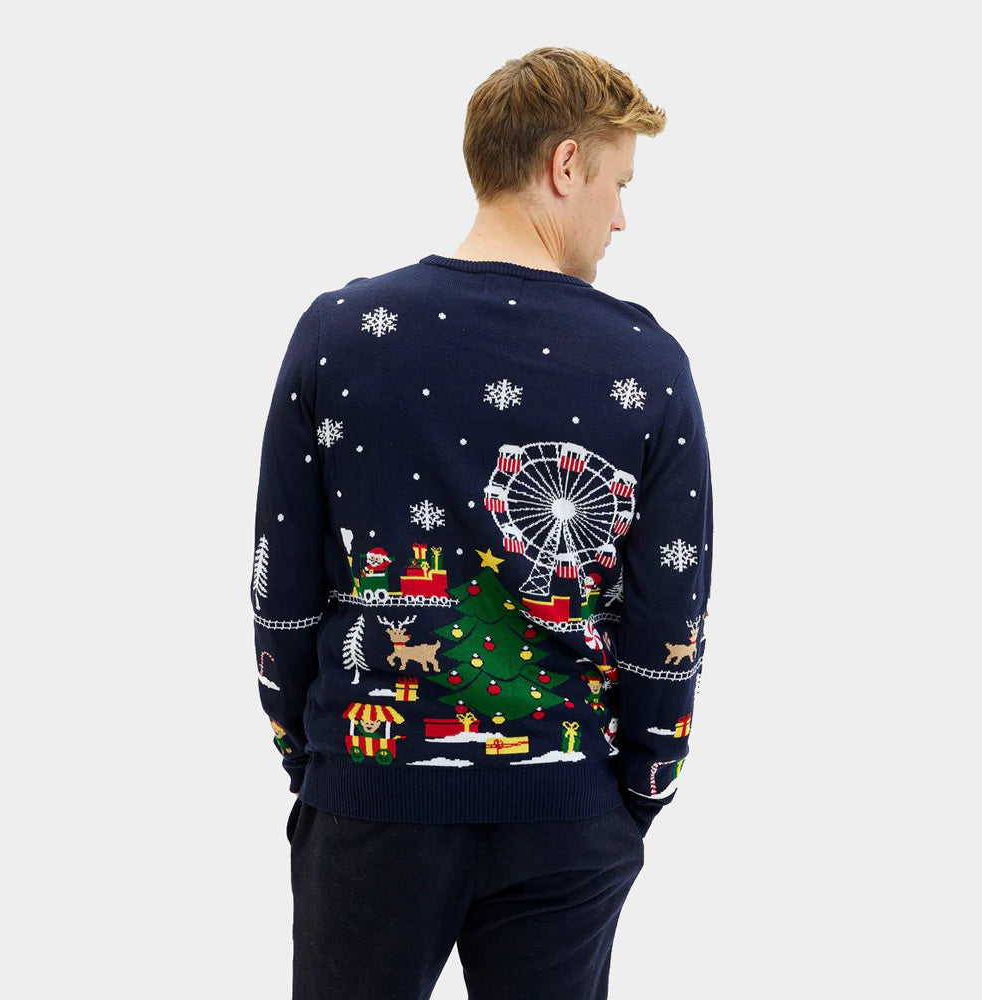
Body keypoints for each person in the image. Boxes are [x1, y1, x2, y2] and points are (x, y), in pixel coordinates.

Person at [251, 46, 714, 1000]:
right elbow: (670, 611)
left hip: (370, 797)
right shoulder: (645, 361)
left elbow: (281, 584)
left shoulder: (340, 332)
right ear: (565, 165)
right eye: (620, 184)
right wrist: (640, 788)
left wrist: (319, 761)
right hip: (566, 808)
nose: (621, 218)